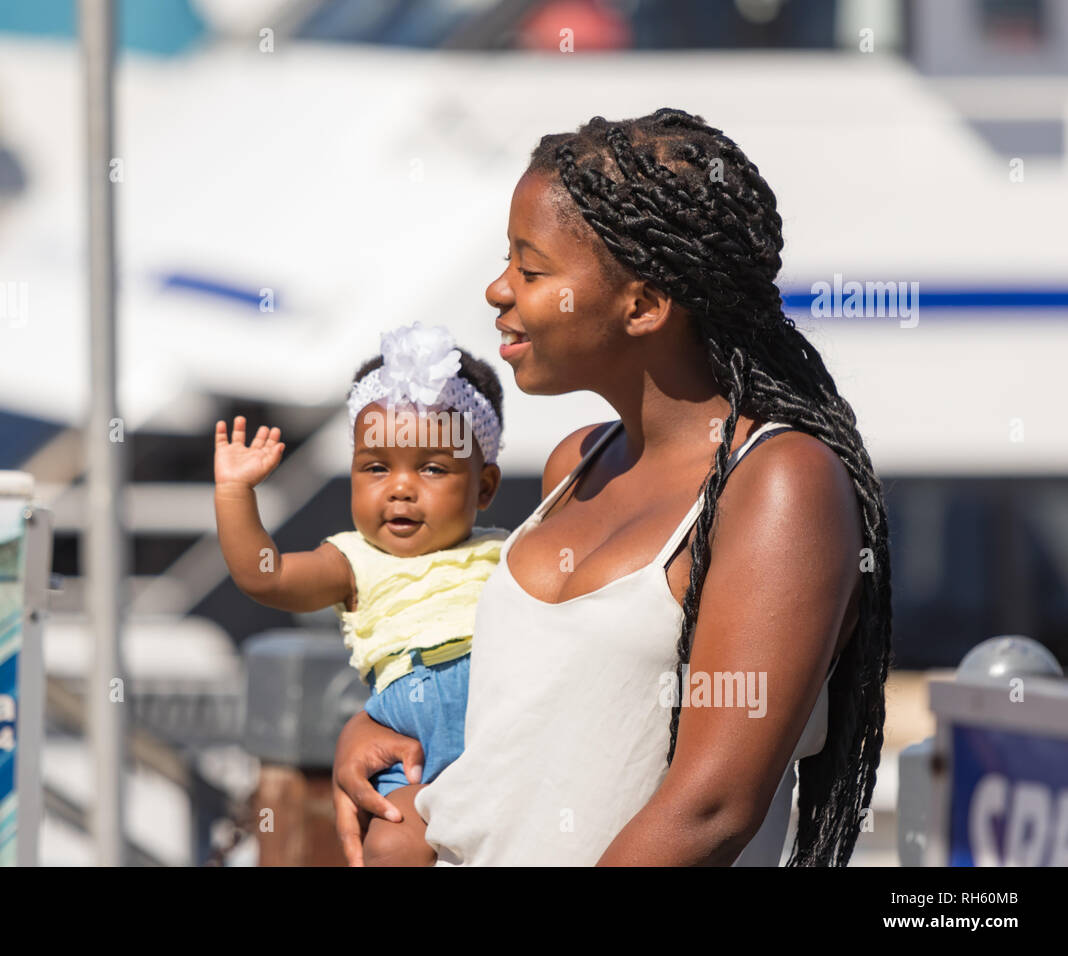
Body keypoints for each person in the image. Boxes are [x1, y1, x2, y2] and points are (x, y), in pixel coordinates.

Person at [332, 108, 893, 866]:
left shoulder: (780, 486)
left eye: (531, 271)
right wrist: (384, 722)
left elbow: (710, 809)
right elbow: (540, 720)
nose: (499, 290)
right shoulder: (576, 465)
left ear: (644, 305)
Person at [213, 322, 509, 865]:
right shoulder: (352, 561)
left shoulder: (510, 553)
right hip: (411, 755)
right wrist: (235, 492)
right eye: (376, 467)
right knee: (394, 844)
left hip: (504, 746)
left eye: (432, 468)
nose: (399, 486)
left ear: (484, 487)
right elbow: (265, 575)